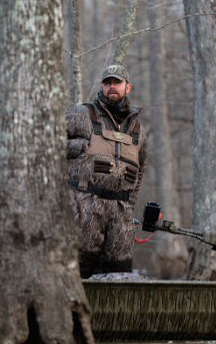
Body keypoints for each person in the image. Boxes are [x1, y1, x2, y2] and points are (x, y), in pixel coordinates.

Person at [66, 64, 147, 277]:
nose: (112, 87)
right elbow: (45, 140)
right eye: (107, 83)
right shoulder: (81, 114)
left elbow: (141, 170)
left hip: (121, 216)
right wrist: (77, 148)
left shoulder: (137, 129)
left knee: (119, 274)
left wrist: (129, 205)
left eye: (117, 83)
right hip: (84, 209)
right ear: (102, 87)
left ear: (127, 87)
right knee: (78, 271)